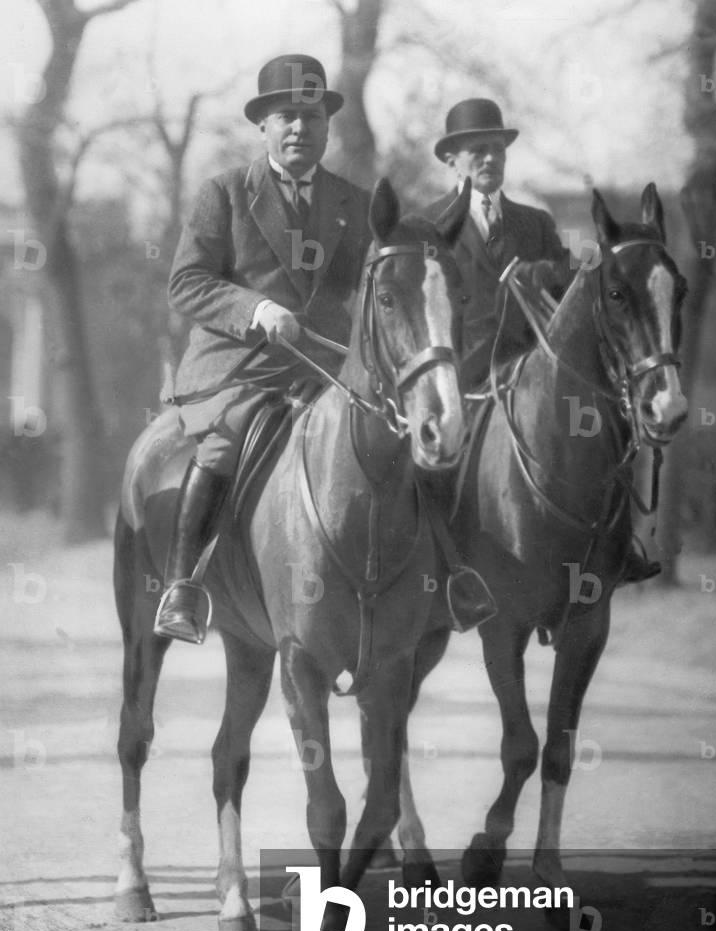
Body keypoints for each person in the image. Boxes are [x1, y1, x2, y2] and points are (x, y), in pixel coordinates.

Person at [153, 54, 371, 644]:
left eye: (312, 117)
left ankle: (442, 574)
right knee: (225, 441)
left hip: (327, 369)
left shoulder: (356, 204)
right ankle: (183, 587)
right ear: (264, 127)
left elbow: (369, 290)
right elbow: (186, 284)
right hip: (240, 369)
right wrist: (256, 309)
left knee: (395, 437)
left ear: (328, 127)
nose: (300, 128)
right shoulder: (223, 194)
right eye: (286, 117)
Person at [424, 97, 660, 584]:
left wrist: (542, 271)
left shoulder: (535, 222)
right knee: (434, 454)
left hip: (532, 368)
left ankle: (617, 543)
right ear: (452, 160)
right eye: (477, 150)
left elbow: (573, 285)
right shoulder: (428, 227)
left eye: (497, 149)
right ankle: (438, 559)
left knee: (607, 420)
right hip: (467, 371)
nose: (489, 160)